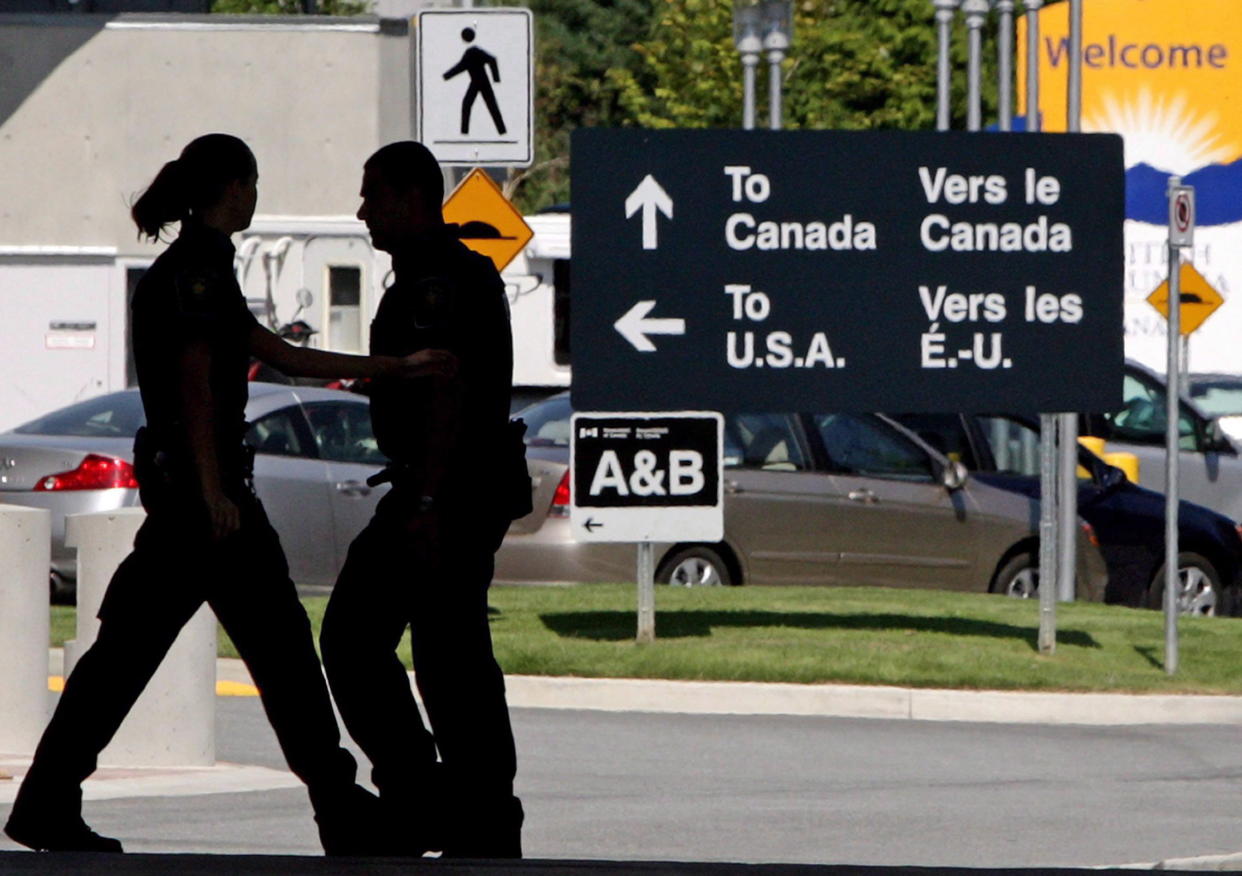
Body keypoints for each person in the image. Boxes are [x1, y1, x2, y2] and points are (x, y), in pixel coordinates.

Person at [3, 133, 453, 855]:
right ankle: (339, 810)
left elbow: (281, 354)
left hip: (193, 505)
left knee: (130, 659)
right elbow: (196, 381)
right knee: (278, 659)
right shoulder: (198, 274)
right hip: (210, 511)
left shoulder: (195, 269)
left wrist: (393, 367)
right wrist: (215, 491)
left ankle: (48, 800)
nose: (256, 196)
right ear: (233, 188)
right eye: (253, 183)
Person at [319, 141, 523, 858]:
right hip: (438, 488)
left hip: (447, 490)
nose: (362, 209)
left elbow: (446, 393)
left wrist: (429, 504)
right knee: (439, 650)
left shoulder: (439, 282)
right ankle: (459, 803)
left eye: (373, 195)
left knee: (403, 647)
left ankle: (450, 801)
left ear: (411, 198)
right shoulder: (427, 274)